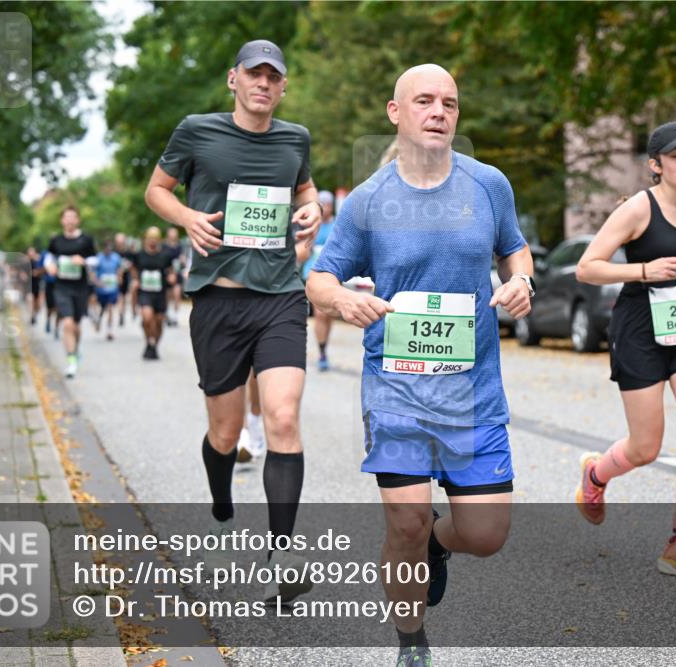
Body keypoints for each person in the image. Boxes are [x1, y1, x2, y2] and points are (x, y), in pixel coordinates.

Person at [307, 64, 534, 666]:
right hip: (397, 391)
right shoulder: (369, 200)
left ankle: (441, 539)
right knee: (404, 522)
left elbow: (514, 249)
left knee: (486, 536)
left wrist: (523, 281)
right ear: (396, 112)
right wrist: (343, 298)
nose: (439, 112)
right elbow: (319, 278)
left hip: (474, 392)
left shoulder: (488, 185)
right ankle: (411, 641)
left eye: (450, 104)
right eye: (426, 101)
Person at [144, 39, 322, 601]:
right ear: (234, 79)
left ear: (284, 86)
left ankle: (284, 555)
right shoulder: (197, 130)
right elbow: (156, 190)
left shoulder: (296, 138)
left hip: (280, 298)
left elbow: (306, 187)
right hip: (219, 302)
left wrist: (314, 206)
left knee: (283, 418)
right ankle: (221, 494)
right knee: (224, 433)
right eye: (255, 75)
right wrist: (188, 217)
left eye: (274, 77)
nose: (264, 84)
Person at [574, 121, 676, 579]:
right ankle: (596, 475)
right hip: (640, 326)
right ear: (655, 165)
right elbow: (587, 268)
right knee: (646, 446)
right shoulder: (638, 210)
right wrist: (644, 271)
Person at [44, 206, 97, 378]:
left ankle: (75, 348)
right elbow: (49, 257)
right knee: (67, 323)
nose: (70, 220)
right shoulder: (56, 240)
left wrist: (84, 261)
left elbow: (96, 259)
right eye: (66, 217)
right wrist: (49, 266)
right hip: (61, 287)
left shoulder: (86, 240)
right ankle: (71, 360)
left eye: (73, 217)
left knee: (76, 326)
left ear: (78, 220)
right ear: (62, 220)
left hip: (80, 287)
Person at [301, 190, 336, 371]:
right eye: (321, 203)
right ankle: (322, 352)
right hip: (313, 274)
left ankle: (324, 346)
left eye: (328, 203)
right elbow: (302, 250)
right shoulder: (311, 224)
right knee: (321, 313)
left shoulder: (337, 226)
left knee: (328, 316)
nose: (325, 207)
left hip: (335, 275)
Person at [132, 227, 177, 359]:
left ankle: (153, 346)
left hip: (160, 293)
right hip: (145, 292)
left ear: (159, 240)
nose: (152, 241)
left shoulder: (165, 255)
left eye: (155, 239)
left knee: (158, 322)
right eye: (150, 238)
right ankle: (149, 341)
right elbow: (134, 269)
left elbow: (171, 271)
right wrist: (135, 280)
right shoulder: (139, 255)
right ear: (145, 239)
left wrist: (172, 277)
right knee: (147, 318)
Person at [92, 238, 123, 341]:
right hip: (101, 287)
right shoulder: (98, 258)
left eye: (110, 248)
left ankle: (109, 331)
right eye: (106, 248)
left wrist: (119, 278)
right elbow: (92, 272)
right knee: (103, 307)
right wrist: (97, 282)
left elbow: (120, 269)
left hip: (112, 287)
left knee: (110, 307)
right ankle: (99, 320)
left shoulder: (116, 257)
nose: (108, 250)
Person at [162, 226, 186, 327]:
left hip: (177, 273)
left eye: (175, 233)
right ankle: (167, 314)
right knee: (167, 296)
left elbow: (183, 261)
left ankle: (175, 316)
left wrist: (183, 261)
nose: (173, 235)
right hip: (167, 273)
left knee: (177, 294)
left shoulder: (180, 246)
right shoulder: (164, 246)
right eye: (172, 233)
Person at [26, 247, 43, 325]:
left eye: (32, 253)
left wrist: (37, 272)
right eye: (30, 253)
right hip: (28, 285)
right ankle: (31, 316)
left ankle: (34, 314)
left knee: (37, 304)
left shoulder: (38, 261)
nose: (31, 254)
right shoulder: (25, 262)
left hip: (37, 284)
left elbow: (42, 270)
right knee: (30, 300)